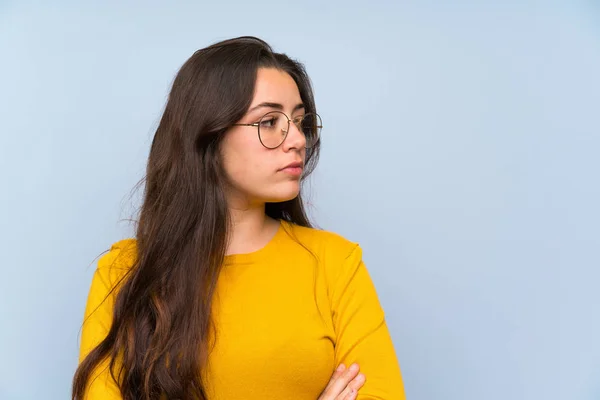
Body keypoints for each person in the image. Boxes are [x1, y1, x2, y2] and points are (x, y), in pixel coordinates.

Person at [72, 36, 406, 400]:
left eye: (298, 121)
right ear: (208, 134)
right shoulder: (124, 273)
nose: (296, 139)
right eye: (269, 121)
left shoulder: (336, 264)